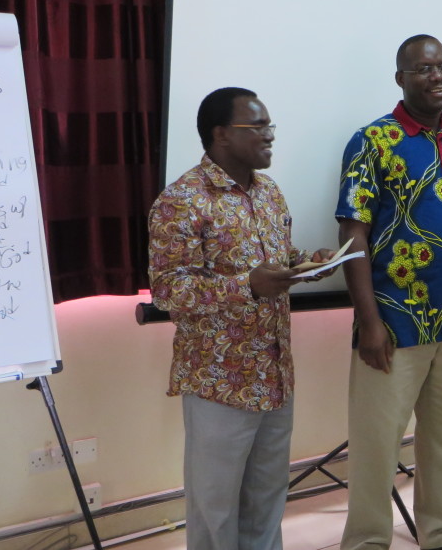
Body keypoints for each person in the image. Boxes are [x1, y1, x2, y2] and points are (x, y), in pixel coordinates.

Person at [148, 87, 336, 550]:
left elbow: (278, 259)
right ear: (221, 135)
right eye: (259, 127)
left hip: (274, 375)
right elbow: (169, 291)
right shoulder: (182, 200)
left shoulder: (269, 192)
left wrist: (310, 263)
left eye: (271, 126)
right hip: (219, 381)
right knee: (215, 506)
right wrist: (247, 285)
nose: (270, 136)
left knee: (267, 499)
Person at [336, 34, 442, 550]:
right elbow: (353, 235)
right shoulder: (372, 141)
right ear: (400, 77)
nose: (437, 76)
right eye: (424, 68)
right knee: (377, 445)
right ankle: (366, 542)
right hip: (395, 326)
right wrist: (370, 323)